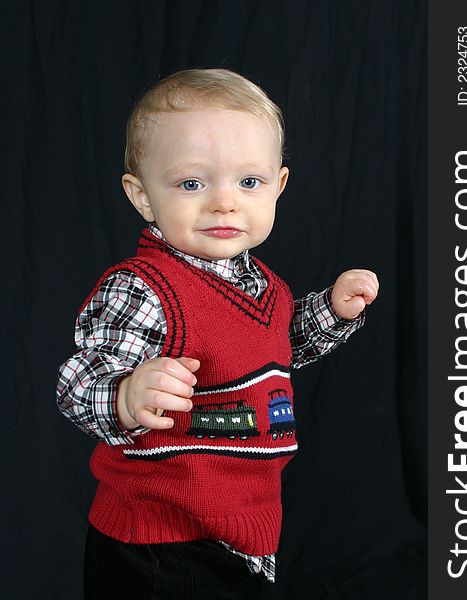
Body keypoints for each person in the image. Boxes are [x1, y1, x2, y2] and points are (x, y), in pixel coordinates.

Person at [57, 68, 379, 600]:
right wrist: (123, 393)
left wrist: (331, 313)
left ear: (277, 185)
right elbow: (78, 382)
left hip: (243, 527)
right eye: (191, 184)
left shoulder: (266, 287)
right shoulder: (146, 289)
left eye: (248, 182)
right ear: (142, 196)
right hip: (157, 539)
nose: (223, 202)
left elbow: (276, 347)